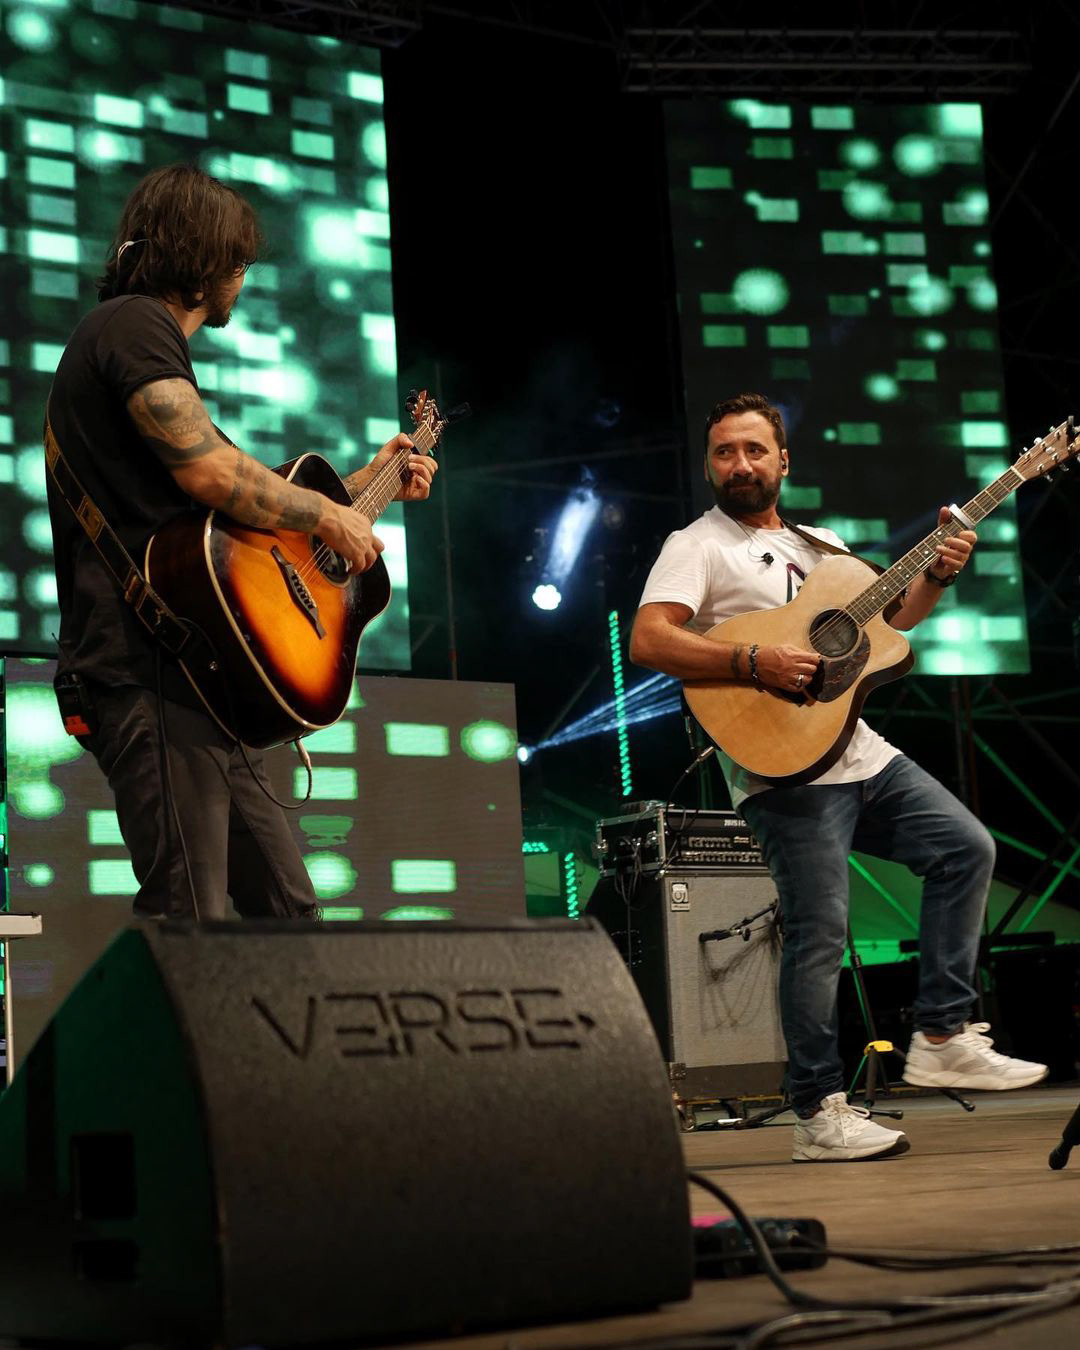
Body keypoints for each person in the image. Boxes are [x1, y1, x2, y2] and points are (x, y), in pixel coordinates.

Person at [630, 391, 1047, 1163]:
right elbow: (649, 640)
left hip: (857, 748)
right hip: (782, 763)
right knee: (819, 932)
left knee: (966, 849)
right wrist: (752, 659)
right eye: (724, 452)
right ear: (710, 465)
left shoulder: (820, 546)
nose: (740, 464)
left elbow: (890, 625)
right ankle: (818, 1114)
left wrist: (937, 575)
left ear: (783, 461)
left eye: (754, 449)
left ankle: (942, 1035)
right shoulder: (698, 544)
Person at [44, 163, 437, 923]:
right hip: (147, 671)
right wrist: (326, 515)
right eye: (240, 260)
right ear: (206, 259)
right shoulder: (133, 324)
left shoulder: (140, 347)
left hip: (203, 683)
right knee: (193, 919)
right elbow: (209, 471)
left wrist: (372, 481)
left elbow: (254, 514)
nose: (244, 278)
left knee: (288, 917)